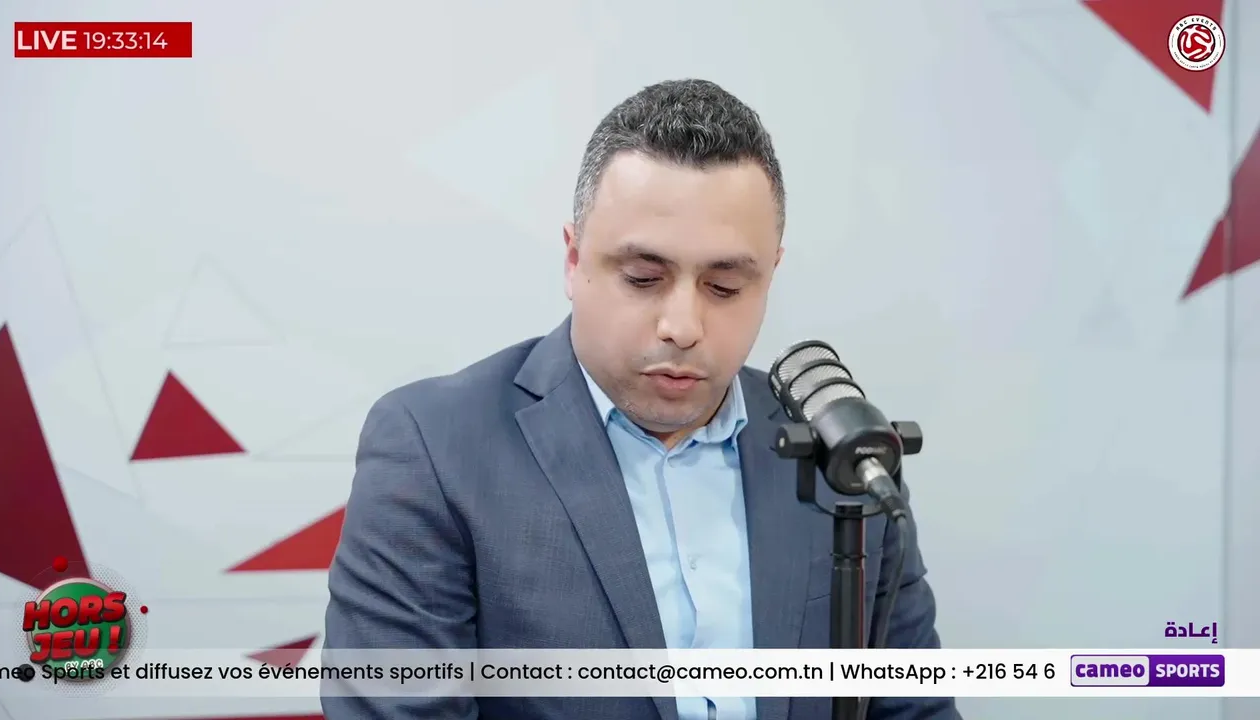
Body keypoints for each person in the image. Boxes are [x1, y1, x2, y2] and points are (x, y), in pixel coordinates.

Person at [322, 78, 960, 720]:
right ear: (573, 260)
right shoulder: (436, 450)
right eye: (644, 278)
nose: (682, 325)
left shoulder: (843, 458)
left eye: (724, 287)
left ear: (771, 274)